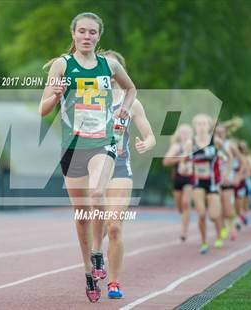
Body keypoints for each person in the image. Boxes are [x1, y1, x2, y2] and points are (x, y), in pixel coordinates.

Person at [40, 12, 136, 303]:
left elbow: (131, 89)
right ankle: (87, 270)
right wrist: (55, 96)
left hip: (102, 143)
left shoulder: (110, 65)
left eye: (92, 32)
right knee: (81, 216)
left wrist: (124, 108)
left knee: (97, 192)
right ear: (73, 34)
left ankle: (97, 252)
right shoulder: (61, 65)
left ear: (98, 36)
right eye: (81, 31)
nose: (86, 36)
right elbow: (42, 109)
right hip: (73, 147)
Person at [98, 50, 155, 299]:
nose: (110, 74)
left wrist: (148, 143)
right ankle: (95, 256)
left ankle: (113, 282)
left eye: (114, 69)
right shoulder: (91, 97)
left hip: (120, 168)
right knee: (95, 226)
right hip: (93, 169)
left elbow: (150, 135)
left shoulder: (132, 102)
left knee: (114, 228)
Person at [191, 114, 224, 254]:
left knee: (213, 215)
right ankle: (204, 242)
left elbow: (229, 156)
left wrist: (226, 172)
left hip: (212, 183)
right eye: (198, 124)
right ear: (195, 126)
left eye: (204, 123)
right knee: (201, 214)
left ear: (209, 126)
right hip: (198, 182)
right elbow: (181, 160)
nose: (201, 126)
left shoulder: (216, 141)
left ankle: (218, 233)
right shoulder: (190, 143)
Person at [163, 124, 194, 242]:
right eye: (182, 132)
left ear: (191, 134)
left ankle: (184, 231)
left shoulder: (195, 146)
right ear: (178, 134)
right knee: (180, 207)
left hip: (190, 178)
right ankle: (184, 218)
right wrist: (180, 158)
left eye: (187, 132)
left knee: (186, 203)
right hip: (177, 178)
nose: (184, 134)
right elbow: (166, 161)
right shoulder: (176, 146)